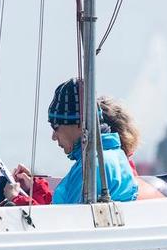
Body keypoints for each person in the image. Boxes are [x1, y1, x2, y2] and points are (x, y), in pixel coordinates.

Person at [9, 78, 137, 204]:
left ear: (79, 124)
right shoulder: (116, 157)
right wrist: (35, 188)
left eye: (56, 127)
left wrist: (15, 200)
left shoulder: (91, 167)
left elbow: (65, 220)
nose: (53, 137)